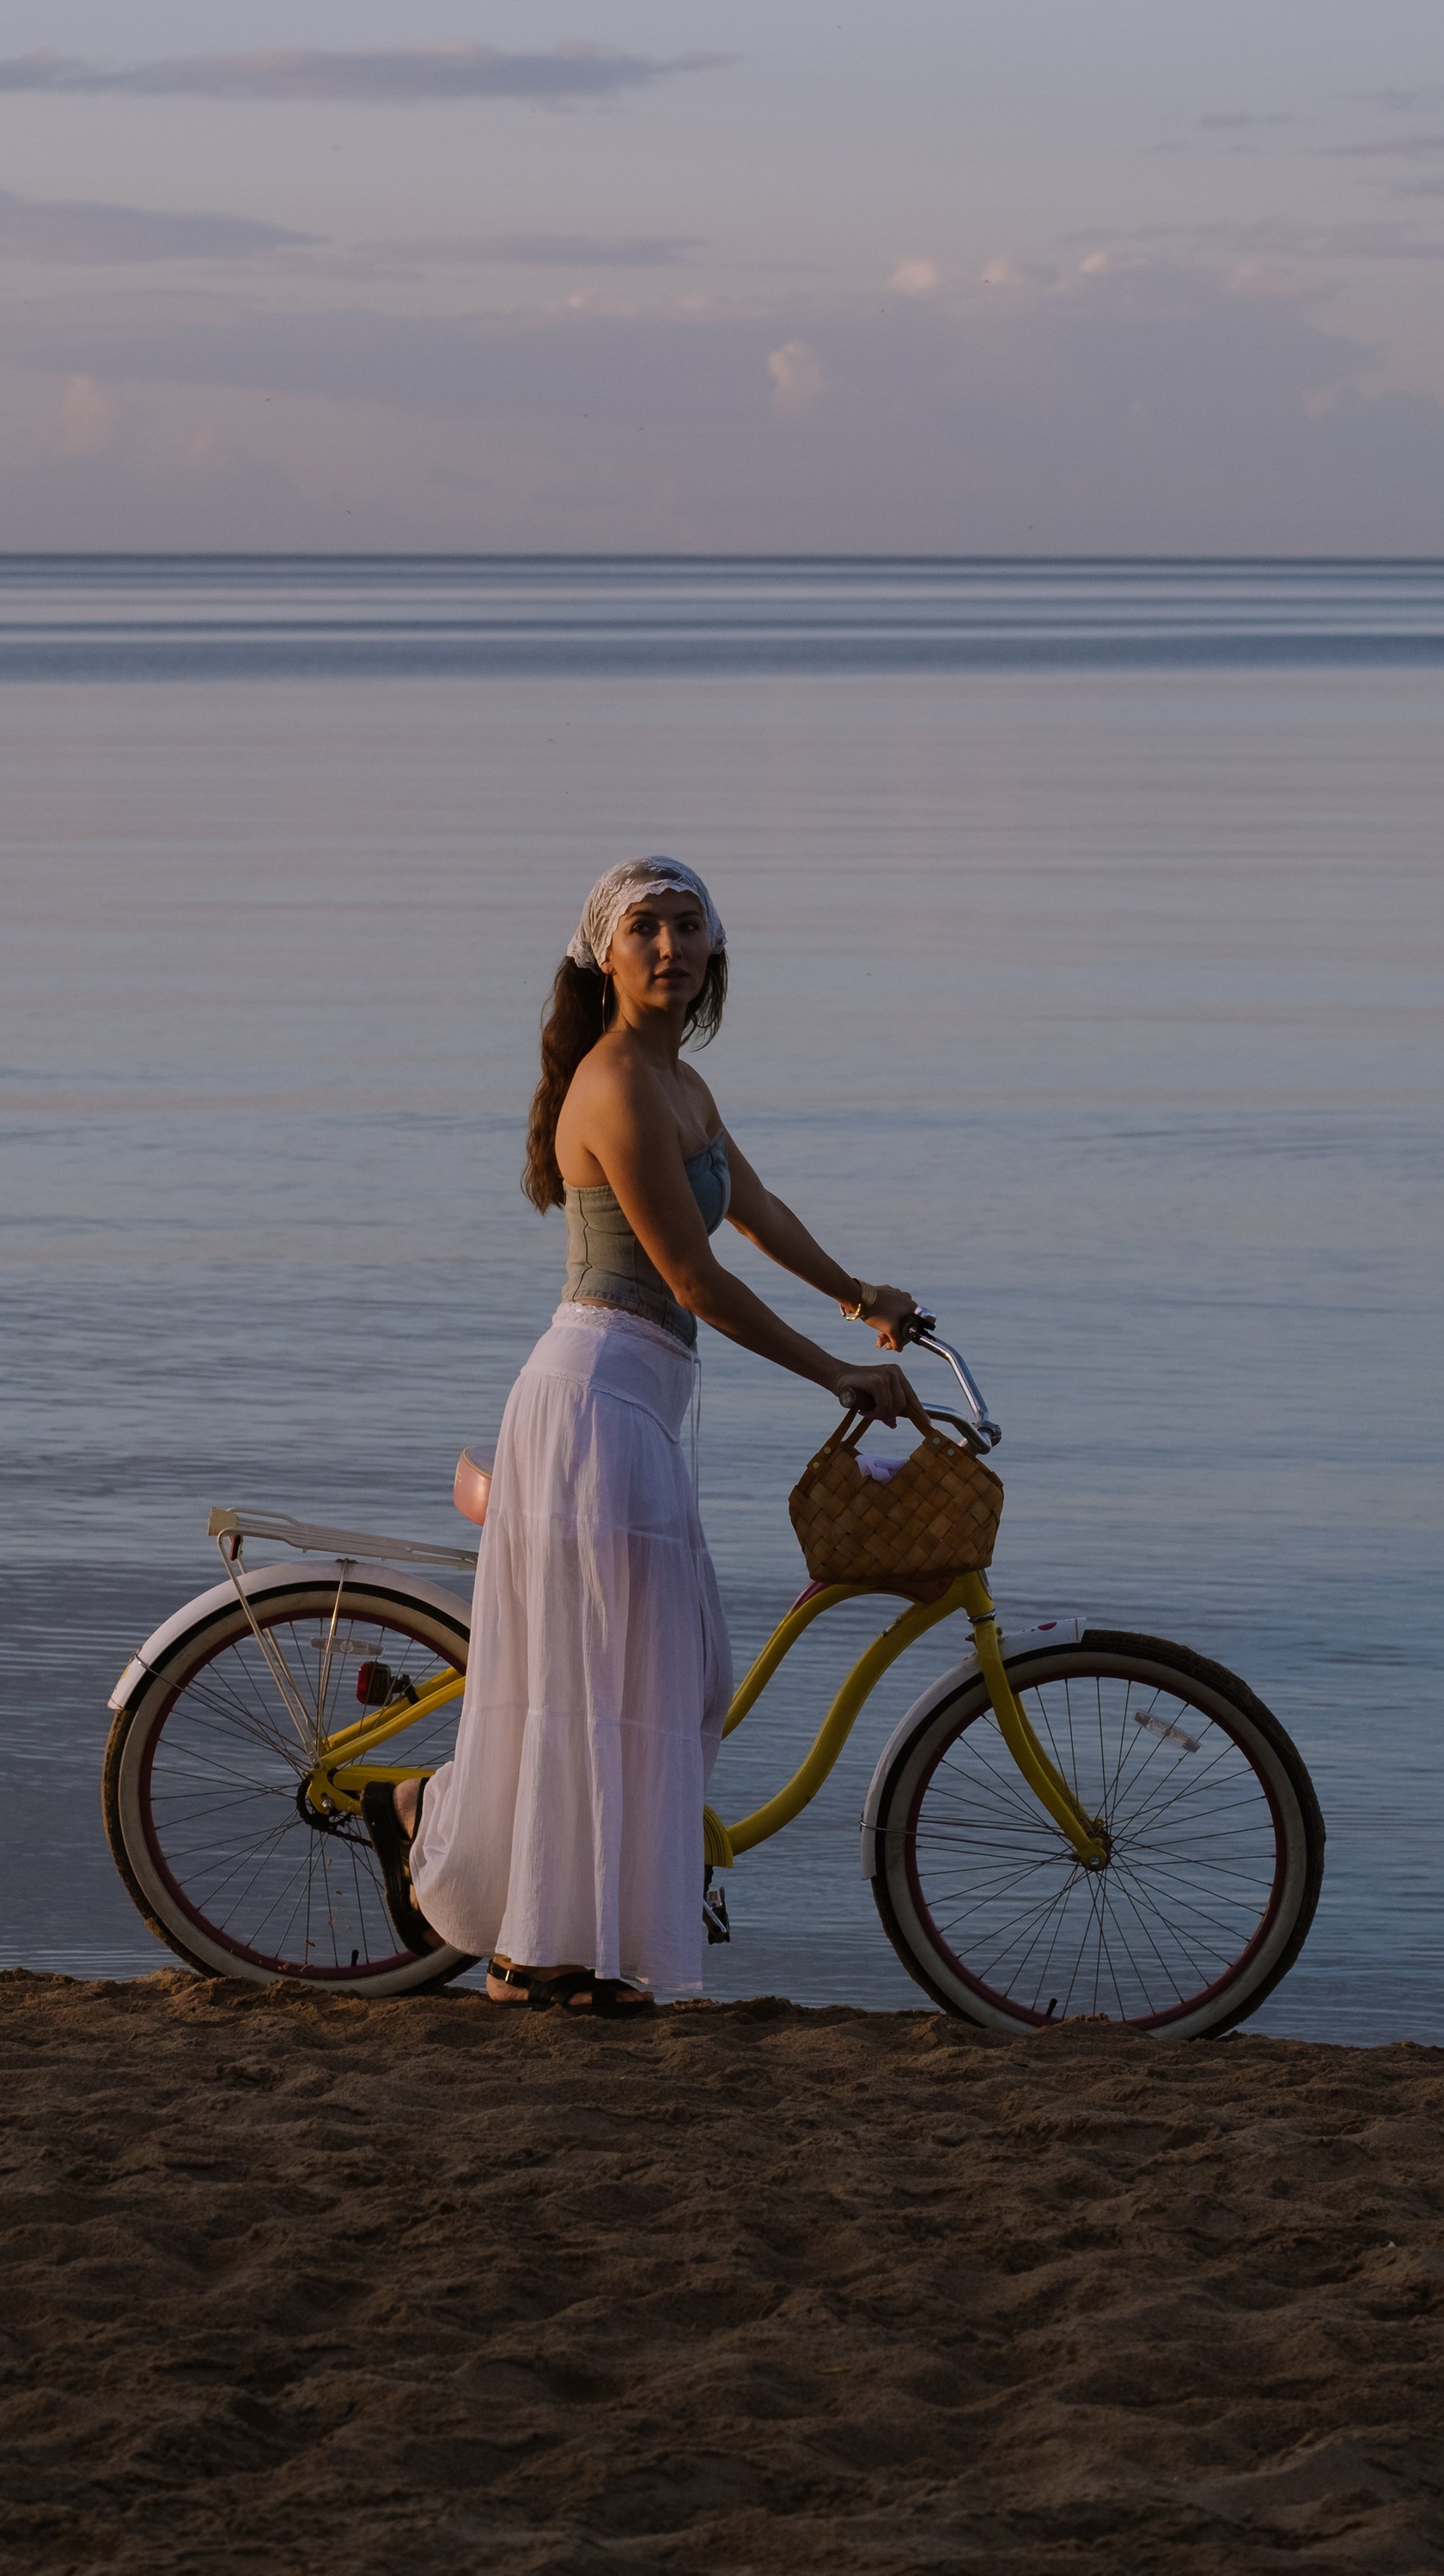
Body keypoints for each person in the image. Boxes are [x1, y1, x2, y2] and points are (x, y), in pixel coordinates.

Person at [366, 853, 926, 2017]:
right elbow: (689, 1273)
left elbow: (754, 1212)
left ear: (716, 950)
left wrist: (862, 1296)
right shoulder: (617, 1084)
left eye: (687, 927)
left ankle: (570, 1928)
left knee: (665, 1677)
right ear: (603, 957)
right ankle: (522, 1941)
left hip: (641, 1403)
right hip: (595, 1401)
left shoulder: (682, 1084)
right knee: (614, 1680)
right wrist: (833, 1374)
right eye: (645, 931)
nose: (669, 948)